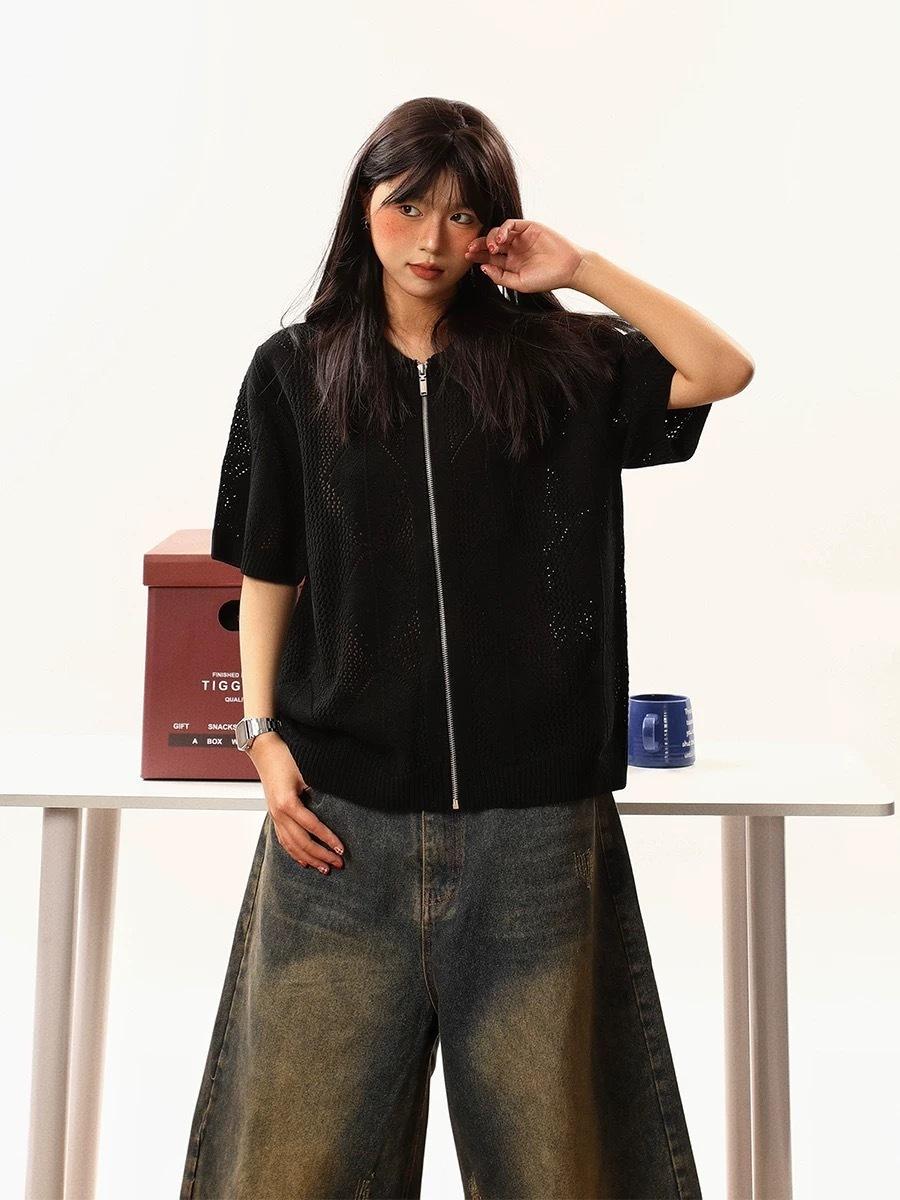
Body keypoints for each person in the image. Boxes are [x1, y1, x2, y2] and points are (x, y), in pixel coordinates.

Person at [180, 96, 754, 1200]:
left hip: (534, 833)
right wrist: (261, 736)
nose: (431, 241)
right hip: (341, 829)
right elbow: (267, 568)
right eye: (408, 207)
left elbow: (721, 369)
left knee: (555, 1170)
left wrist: (581, 271)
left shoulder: (557, 363)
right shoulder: (294, 371)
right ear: (365, 205)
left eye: (461, 215)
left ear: (494, 227)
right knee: (287, 1168)